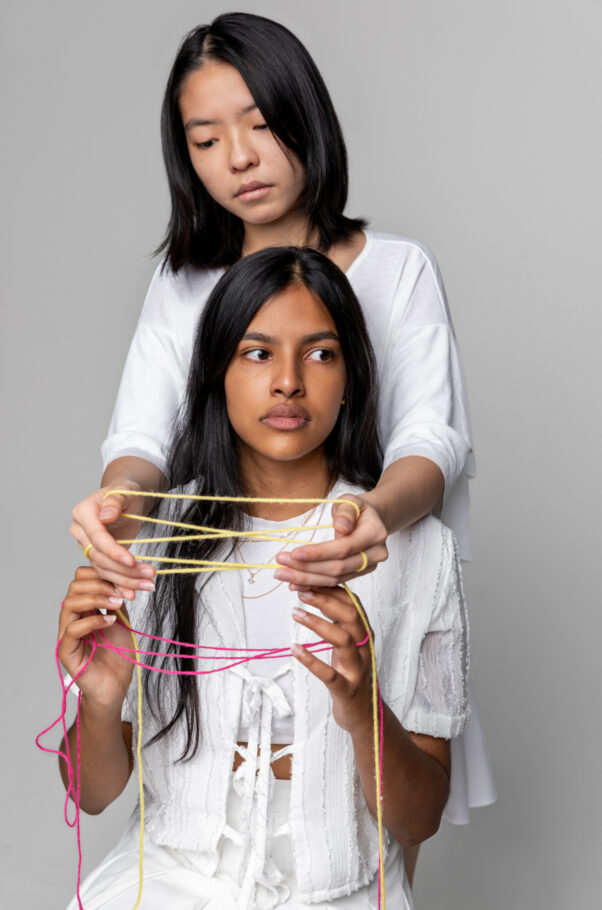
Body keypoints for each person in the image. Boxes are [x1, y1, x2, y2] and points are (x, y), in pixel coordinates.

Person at [68, 11, 494, 875]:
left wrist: (368, 521)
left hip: (365, 583)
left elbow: (429, 438)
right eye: (205, 138)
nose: (238, 157)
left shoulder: (395, 270)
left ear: (308, 118)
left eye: (261, 125)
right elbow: (144, 435)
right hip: (218, 574)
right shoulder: (183, 280)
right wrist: (116, 509)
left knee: (356, 839)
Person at [58, 247, 470, 910]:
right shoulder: (150, 539)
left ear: (353, 378)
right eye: (256, 353)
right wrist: (100, 703)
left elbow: (417, 821)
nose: (287, 382)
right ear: (217, 371)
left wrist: (364, 711)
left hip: (339, 888)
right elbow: (92, 792)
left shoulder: (415, 549)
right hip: (166, 880)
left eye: (320, 353)